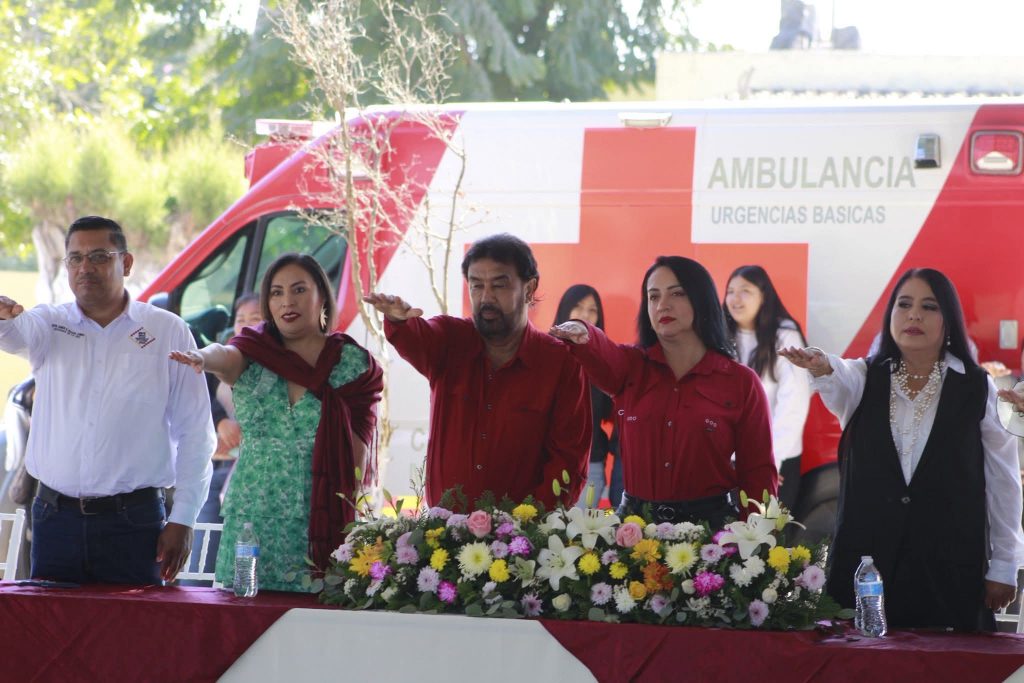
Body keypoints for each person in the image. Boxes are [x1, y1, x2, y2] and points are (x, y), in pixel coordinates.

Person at [780, 268, 1024, 630]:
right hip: (866, 571)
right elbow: (836, 373)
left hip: (949, 570)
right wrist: (820, 363)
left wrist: (1004, 565)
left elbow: (1004, 481)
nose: (914, 315)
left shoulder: (976, 387)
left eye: (929, 306)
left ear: (949, 319)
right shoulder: (864, 378)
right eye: (904, 304)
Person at [0, 215, 215, 585]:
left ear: (126, 263)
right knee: (54, 623)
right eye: (75, 258)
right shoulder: (48, 324)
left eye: (99, 256)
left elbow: (195, 432)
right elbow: (15, 335)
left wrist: (183, 518)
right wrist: (4, 319)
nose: (85, 267)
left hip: (135, 523)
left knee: (135, 624)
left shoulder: (167, 331)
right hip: (55, 520)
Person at [171, 254, 382, 591]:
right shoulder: (252, 353)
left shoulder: (352, 363)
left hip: (321, 517)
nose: (287, 302)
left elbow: (358, 449)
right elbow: (223, 355)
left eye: (299, 290)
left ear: (322, 296)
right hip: (253, 518)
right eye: (276, 292)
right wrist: (201, 356)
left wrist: (349, 513)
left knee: (316, 613)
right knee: (246, 614)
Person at [364, 233, 591, 510]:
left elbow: (569, 460)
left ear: (529, 288)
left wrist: (529, 522)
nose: (486, 297)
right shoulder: (450, 340)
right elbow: (418, 337)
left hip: (524, 532)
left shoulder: (560, 363)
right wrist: (398, 321)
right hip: (443, 529)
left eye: (499, 285)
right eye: (476, 285)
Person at [550, 255, 777, 530]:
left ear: (701, 299)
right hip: (635, 534)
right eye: (653, 296)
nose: (662, 305)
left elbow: (758, 473)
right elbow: (602, 352)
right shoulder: (630, 367)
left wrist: (757, 539)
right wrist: (583, 331)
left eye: (677, 293)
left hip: (712, 535)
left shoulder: (740, 382)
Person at [724, 265, 811, 511]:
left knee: (768, 533)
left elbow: (793, 403)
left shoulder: (785, 336)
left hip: (775, 458)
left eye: (745, 291)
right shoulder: (718, 336)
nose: (735, 299)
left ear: (764, 296)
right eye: (730, 291)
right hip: (728, 464)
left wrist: (770, 462)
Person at [552, 285, 622, 509]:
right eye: (578, 307)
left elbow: (614, 411)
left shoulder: (606, 358)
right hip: (548, 462)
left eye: (593, 310)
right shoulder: (544, 352)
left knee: (587, 527)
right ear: (565, 310)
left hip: (591, 465)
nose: (585, 315)